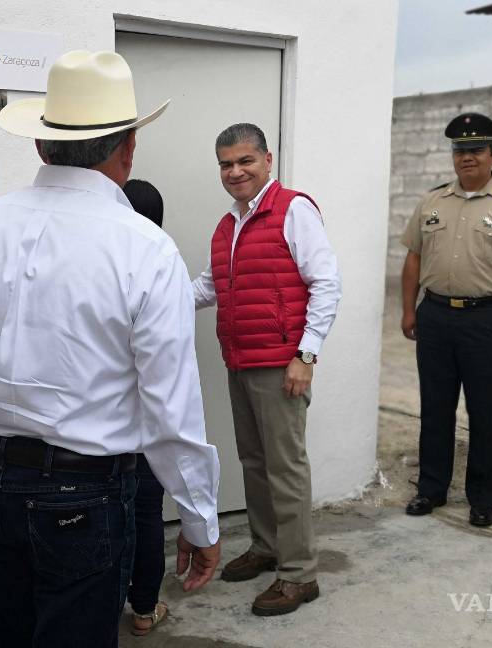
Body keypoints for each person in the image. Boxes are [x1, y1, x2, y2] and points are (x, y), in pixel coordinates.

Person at [0, 50, 221, 647]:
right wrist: (198, 515)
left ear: (41, 146)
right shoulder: (146, 250)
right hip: (83, 496)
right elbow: (172, 409)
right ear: (129, 151)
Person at [192, 123, 341, 616]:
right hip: (240, 360)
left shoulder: (293, 210)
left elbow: (326, 283)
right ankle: (266, 546)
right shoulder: (228, 225)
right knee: (254, 464)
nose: (235, 172)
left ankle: (299, 574)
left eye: (245, 161)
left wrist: (306, 355)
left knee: (285, 469)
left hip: (281, 365)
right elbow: (208, 286)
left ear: (268, 160)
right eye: (226, 164)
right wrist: (150, 298)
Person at [400, 113, 492, 528]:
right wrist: (409, 309)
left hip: (487, 320)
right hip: (435, 317)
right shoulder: (431, 202)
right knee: (435, 408)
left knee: (484, 412)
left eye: (475, 150)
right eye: (459, 150)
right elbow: (413, 257)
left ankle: (482, 498)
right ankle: (431, 489)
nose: (466, 157)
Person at [121, 178, 169, 635]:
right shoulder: (161, 268)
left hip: (106, 427)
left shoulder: (101, 265)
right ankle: (144, 609)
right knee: (147, 513)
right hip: (148, 426)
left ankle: (111, 597)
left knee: (113, 514)